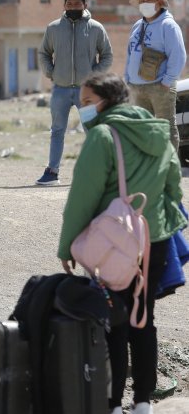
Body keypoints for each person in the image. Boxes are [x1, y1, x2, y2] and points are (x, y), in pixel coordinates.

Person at [57, 73, 186, 414]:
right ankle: (143, 402)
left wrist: (66, 246)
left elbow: (83, 197)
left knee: (113, 319)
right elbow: (174, 185)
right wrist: (158, 222)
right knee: (144, 319)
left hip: (114, 247)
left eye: (86, 102)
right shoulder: (157, 130)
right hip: (153, 242)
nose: (82, 108)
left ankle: (113, 403)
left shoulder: (102, 135)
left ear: (106, 101)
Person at [35, 0, 114, 186]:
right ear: (64, 5)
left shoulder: (96, 28)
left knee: (92, 131)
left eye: (77, 3)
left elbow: (107, 55)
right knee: (57, 131)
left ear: (85, 5)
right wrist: (51, 73)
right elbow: (44, 53)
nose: (73, 6)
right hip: (60, 90)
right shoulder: (54, 28)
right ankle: (52, 172)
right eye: (69, 4)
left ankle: (98, 172)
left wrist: (93, 76)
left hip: (85, 93)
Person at [124, 0, 187, 154]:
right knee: (142, 129)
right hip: (137, 87)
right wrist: (127, 78)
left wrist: (166, 81)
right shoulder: (138, 26)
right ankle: (149, 169)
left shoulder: (169, 25)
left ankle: (169, 167)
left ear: (159, 2)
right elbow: (130, 53)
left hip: (160, 86)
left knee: (166, 128)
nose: (145, 2)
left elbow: (178, 56)